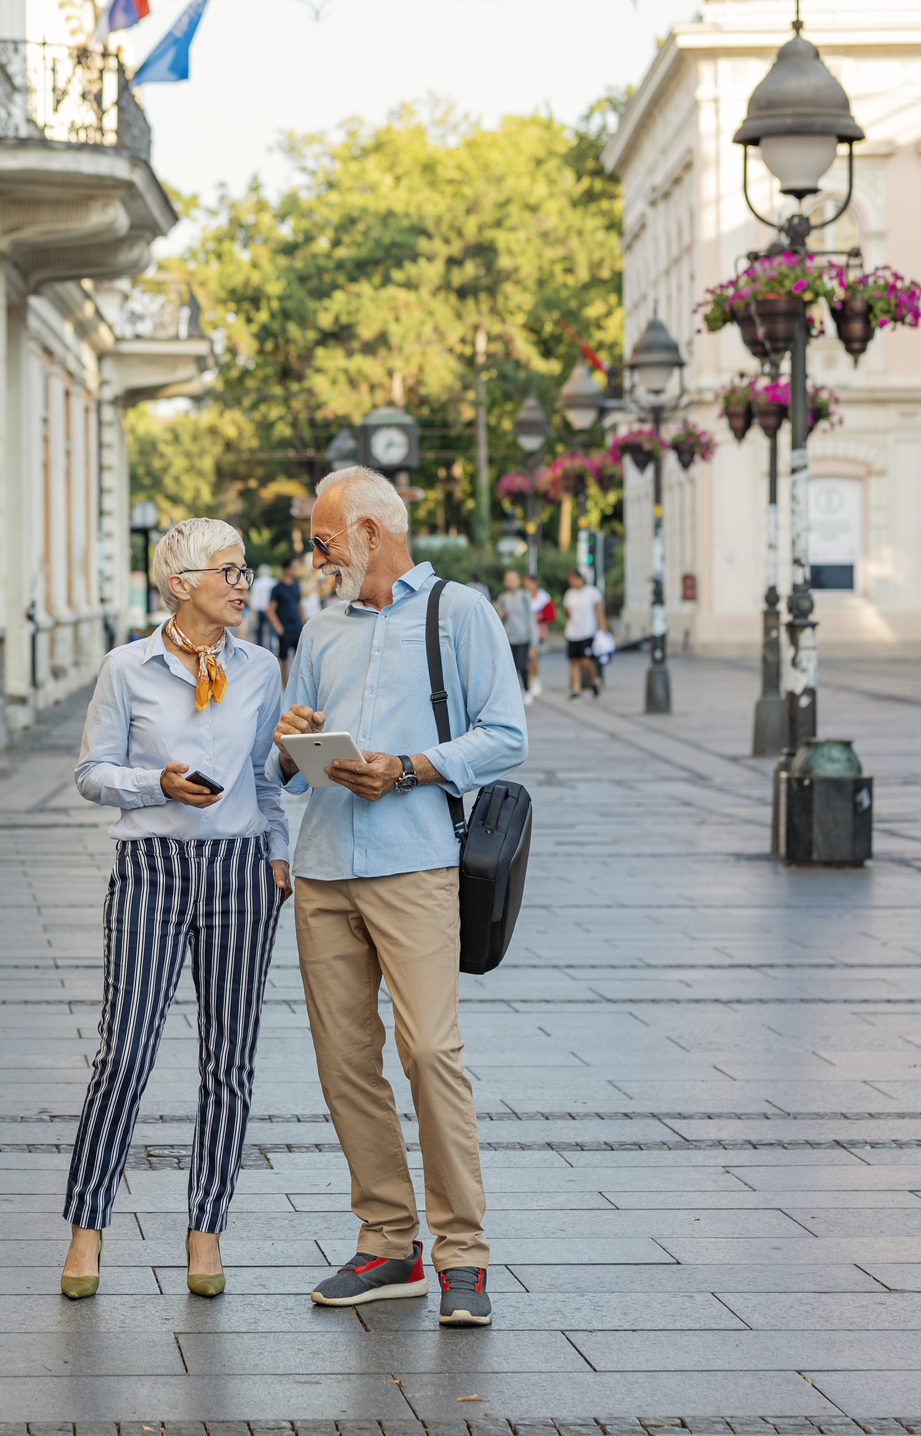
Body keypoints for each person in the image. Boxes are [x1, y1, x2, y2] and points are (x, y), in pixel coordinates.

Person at [270, 466, 528, 1328]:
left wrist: (409, 767)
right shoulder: (320, 631)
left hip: (416, 862)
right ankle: (388, 1243)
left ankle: (463, 1255)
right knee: (345, 1063)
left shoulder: (459, 612)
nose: (317, 557)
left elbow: (505, 735)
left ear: (372, 532)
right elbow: (288, 767)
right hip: (322, 869)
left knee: (429, 1054)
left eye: (324, 540)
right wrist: (289, 741)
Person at [63, 518, 292, 1301]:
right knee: (124, 1053)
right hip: (151, 871)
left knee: (228, 1063)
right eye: (227, 571)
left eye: (243, 569)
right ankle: (87, 1230)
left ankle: (205, 1233)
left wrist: (278, 850)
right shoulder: (127, 668)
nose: (241, 584)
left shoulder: (261, 670)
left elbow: (264, 775)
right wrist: (155, 782)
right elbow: (92, 773)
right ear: (180, 584)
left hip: (240, 871)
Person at [495, 569, 536, 704]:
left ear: (519, 581)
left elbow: (530, 618)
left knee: (523, 666)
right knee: (511, 669)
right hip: (508, 638)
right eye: (508, 579)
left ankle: (527, 689)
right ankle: (515, 693)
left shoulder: (524, 596)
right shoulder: (503, 597)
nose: (510, 582)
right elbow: (498, 618)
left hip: (522, 637)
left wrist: (533, 641)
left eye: (513, 579)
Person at [562, 570, 605, 699]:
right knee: (574, 661)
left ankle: (594, 680)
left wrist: (603, 629)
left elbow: (599, 611)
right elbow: (566, 612)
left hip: (587, 631)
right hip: (572, 632)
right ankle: (576, 689)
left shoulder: (592, 592)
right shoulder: (569, 594)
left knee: (586, 661)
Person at [268, 555, 306, 685]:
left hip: (297, 628)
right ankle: (286, 689)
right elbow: (270, 610)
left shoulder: (296, 585)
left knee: (301, 661)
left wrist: (304, 622)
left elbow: (299, 604)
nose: (297, 570)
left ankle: (298, 687)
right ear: (287, 569)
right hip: (285, 630)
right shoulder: (277, 588)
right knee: (284, 662)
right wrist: (279, 630)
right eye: (295, 567)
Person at [249, 564, 277, 648]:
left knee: (259, 632)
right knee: (271, 632)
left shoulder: (256, 583)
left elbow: (254, 599)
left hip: (260, 610)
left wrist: (253, 613)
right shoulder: (273, 582)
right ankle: (271, 648)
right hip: (270, 609)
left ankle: (259, 647)